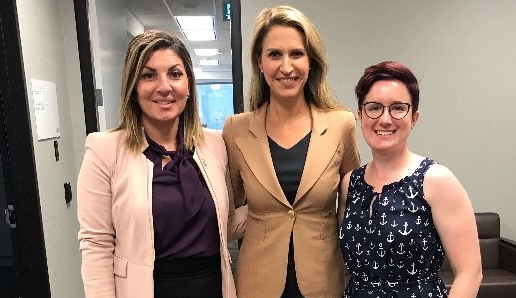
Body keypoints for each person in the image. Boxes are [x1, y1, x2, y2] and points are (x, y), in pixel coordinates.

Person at [77, 29, 246, 298]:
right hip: (146, 289)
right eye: (149, 75)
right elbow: (96, 244)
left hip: (212, 286)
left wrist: (274, 204)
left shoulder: (214, 144)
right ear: (133, 87)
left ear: (188, 85)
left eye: (175, 74)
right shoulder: (105, 150)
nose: (164, 86)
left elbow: (224, 223)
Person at [222, 5, 360, 298]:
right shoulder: (236, 129)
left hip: (322, 280)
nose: (286, 67)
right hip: (257, 282)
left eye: (296, 54)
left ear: (311, 61)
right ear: (259, 62)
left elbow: (351, 207)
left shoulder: (341, 124)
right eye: (274, 54)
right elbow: (227, 208)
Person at [339, 61, 482, 298]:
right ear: (361, 115)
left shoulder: (436, 180)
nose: (385, 119)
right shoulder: (350, 183)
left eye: (398, 108)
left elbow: (471, 272)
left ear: (414, 117)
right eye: (374, 107)